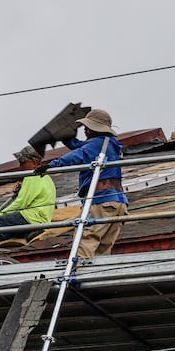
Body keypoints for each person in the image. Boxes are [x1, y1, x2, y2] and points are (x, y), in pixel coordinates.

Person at [34, 108, 127, 259]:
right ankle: (98, 277)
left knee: (85, 240)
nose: (85, 130)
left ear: (95, 128)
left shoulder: (97, 144)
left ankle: (76, 276)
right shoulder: (108, 144)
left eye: (88, 127)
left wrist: (53, 165)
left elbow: (79, 154)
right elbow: (82, 148)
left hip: (100, 200)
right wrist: (67, 139)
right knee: (103, 247)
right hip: (117, 202)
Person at [0, 147, 59, 244]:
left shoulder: (32, 176)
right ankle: (30, 232)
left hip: (30, 216)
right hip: (40, 219)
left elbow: (20, 203)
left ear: (34, 162)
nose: (20, 166)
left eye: (23, 162)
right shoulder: (45, 177)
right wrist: (20, 190)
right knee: (6, 229)